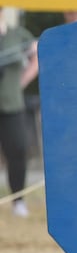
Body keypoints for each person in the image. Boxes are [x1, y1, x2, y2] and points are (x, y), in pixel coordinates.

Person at [0, 18, 37, 216]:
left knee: (17, 151)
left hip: (11, 105)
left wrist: (21, 82)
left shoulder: (17, 35)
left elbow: (36, 54)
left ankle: (18, 202)